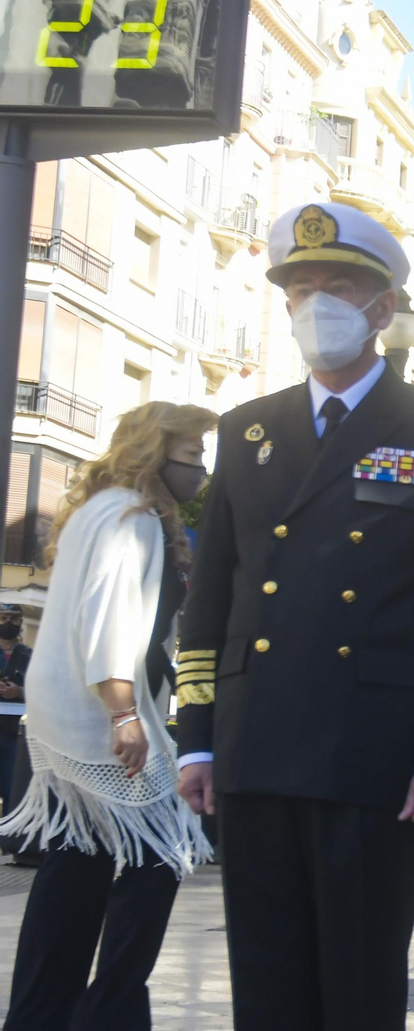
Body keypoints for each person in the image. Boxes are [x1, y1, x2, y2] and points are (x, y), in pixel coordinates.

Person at [175, 201, 414, 1030]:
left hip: (374, 752)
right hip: (257, 741)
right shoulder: (248, 430)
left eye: (340, 287)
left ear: (383, 309)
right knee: (267, 979)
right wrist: (198, 735)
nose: (318, 304)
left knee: (358, 981)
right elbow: (210, 597)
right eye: (302, 287)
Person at [0, 401, 217, 1030]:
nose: (200, 468)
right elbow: (109, 620)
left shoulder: (101, 510)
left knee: (78, 862)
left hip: (63, 709)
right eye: (192, 455)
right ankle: (109, 1010)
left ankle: (45, 1015)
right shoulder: (132, 517)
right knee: (166, 850)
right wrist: (124, 714)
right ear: (156, 455)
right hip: (98, 715)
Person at [0, 606, 33, 813]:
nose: (8, 623)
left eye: (14, 619)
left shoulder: (30, 656)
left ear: (21, 622)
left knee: (13, 789)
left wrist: (19, 690)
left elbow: (43, 689)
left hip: (15, 733)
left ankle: (8, 840)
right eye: (3, 618)